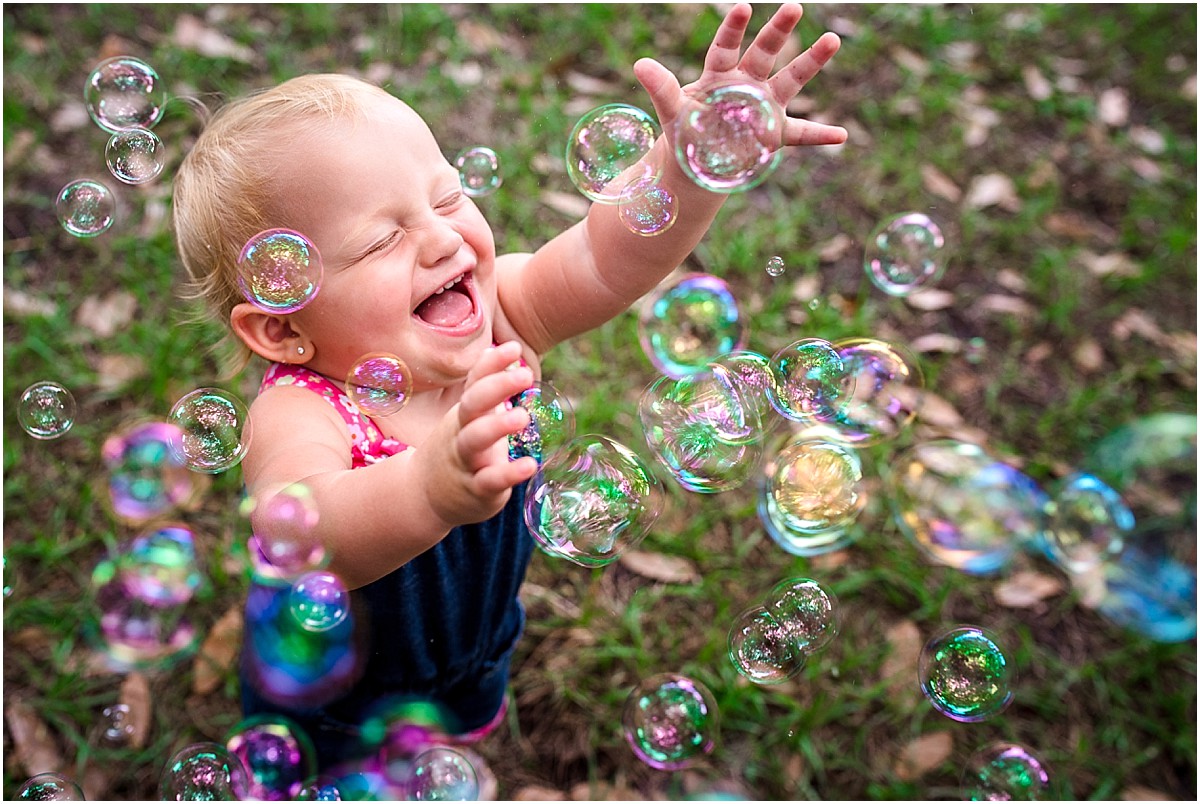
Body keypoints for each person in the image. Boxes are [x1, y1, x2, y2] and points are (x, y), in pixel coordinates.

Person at [172, 1, 846, 778]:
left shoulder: (498, 318)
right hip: (337, 698)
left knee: (438, 748)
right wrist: (429, 488)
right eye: (384, 239)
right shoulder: (299, 410)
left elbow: (605, 256)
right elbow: (305, 531)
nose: (444, 237)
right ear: (286, 328)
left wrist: (694, 160)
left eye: (449, 196)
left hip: (469, 646)